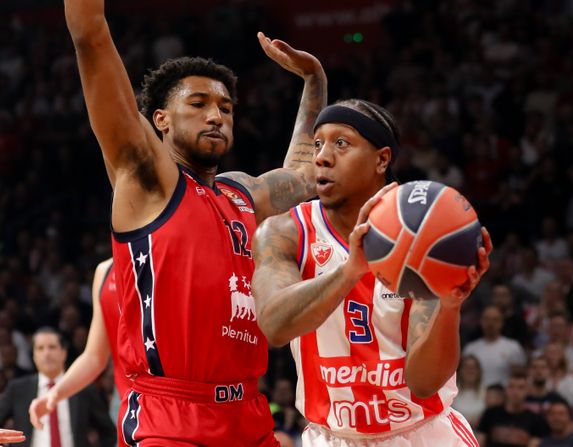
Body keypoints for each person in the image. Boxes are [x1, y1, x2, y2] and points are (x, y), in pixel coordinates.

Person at [63, 0, 327, 443]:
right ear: (161, 120)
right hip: (169, 418)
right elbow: (90, 37)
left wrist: (314, 81)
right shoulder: (148, 178)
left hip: (248, 413)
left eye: (226, 107)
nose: (216, 115)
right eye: (199, 103)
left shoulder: (243, 193)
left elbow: (306, 175)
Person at [251, 99, 492, 445]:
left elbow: (424, 383)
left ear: (382, 159)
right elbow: (275, 327)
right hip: (332, 437)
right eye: (317, 144)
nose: (322, 157)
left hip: (422, 433)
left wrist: (450, 306)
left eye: (341, 143)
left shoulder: (422, 233)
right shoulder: (285, 232)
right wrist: (350, 271)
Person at [29, 258, 129, 428]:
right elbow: (94, 357)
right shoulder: (104, 271)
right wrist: (56, 393)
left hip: (169, 399)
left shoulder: (166, 256)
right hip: (128, 400)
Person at [0, 327, 116, 446]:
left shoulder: (82, 386)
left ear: (64, 352)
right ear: (34, 355)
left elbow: (109, 432)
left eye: (52, 347)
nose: (46, 353)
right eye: (40, 348)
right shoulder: (18, 388)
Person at [476, 371, 549, 447]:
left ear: (527, 391)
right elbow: (480, 441)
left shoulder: (535, 420)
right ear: (506, 390)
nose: (515, 392)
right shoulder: (490, 414)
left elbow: (534, 443)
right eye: (511, 387)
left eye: (521, 388)